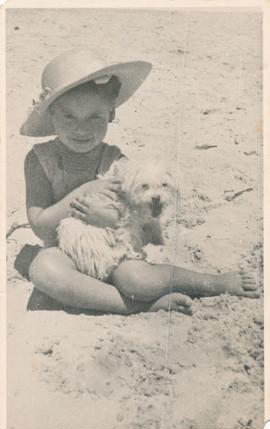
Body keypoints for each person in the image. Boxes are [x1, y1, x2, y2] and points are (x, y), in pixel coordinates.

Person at [21, 48, 259, 315]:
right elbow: (41, 226)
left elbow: (147, 228)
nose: (81, 128)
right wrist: (85, 190)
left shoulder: (118, 163)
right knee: (44, 271)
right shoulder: (39, 160)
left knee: (139, 281)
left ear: (110, 114)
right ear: (51, 115)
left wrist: (109, 220)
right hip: (65, 251)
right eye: (69, 116)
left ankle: (210, 282)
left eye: (94, 117)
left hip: (113, 250)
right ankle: (133, 306)